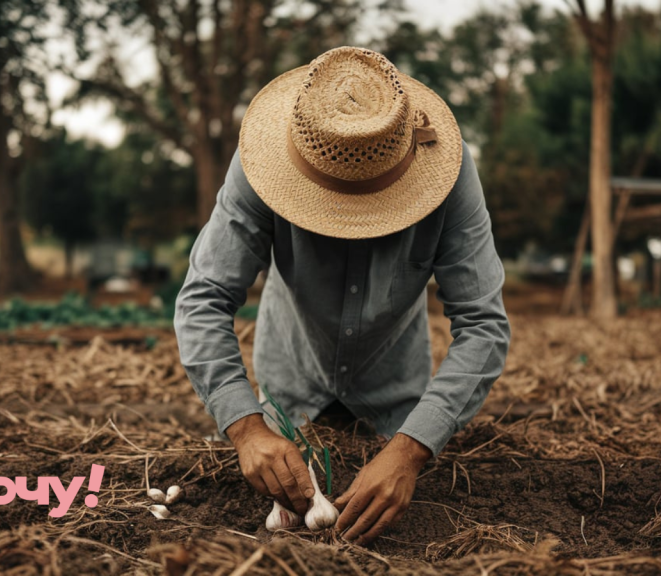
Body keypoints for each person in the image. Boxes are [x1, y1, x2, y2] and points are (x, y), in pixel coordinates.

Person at [174, 46, 510, 545]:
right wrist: (246, 429)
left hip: (396, 400)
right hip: (289, 390)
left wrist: (412, 448)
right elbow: (203, 299)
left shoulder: (452, 174)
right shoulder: (256, 166)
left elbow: (484, 324)